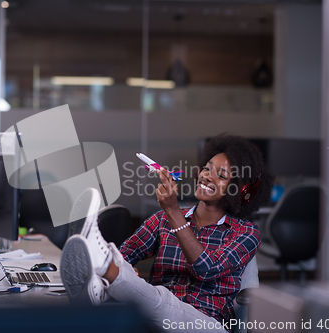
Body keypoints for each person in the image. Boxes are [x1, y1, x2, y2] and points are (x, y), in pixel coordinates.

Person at [61, 133, 274, 332]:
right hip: (153, 315)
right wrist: (126, 270)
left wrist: (173, 211)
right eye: (207, 169)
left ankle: (105, 270)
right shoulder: (161, 219)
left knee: (162, 301)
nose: (208, 177)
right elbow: (126, 253)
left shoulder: (245, 233)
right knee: (136, 285)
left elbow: (206, 269)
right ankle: (102, 275)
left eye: (221, 175)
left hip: (207, 323)